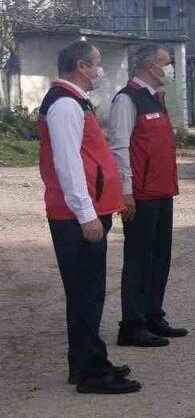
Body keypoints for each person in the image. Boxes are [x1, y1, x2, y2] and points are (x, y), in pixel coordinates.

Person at [38, 41, 140, 394]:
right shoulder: (65, 105)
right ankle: (89, 372)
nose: (100, 70)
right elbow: (67, 165)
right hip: (76, 216)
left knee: (88, 294)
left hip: (83, 212)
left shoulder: (73, 102)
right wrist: (86, 215)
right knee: (85, 295)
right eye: (96, 64)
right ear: (81, 66)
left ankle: (87, 361)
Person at [108, 43, 186, 348]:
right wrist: (126, 192)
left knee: (160, 255)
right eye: (166, 63)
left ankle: (153, 314)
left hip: (162, 190)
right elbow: (119, 148)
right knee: (139, 258)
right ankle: (132, 324)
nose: (170, 69)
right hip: (141, 193)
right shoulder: (128, 100)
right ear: (148, 66)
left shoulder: (156, 98)